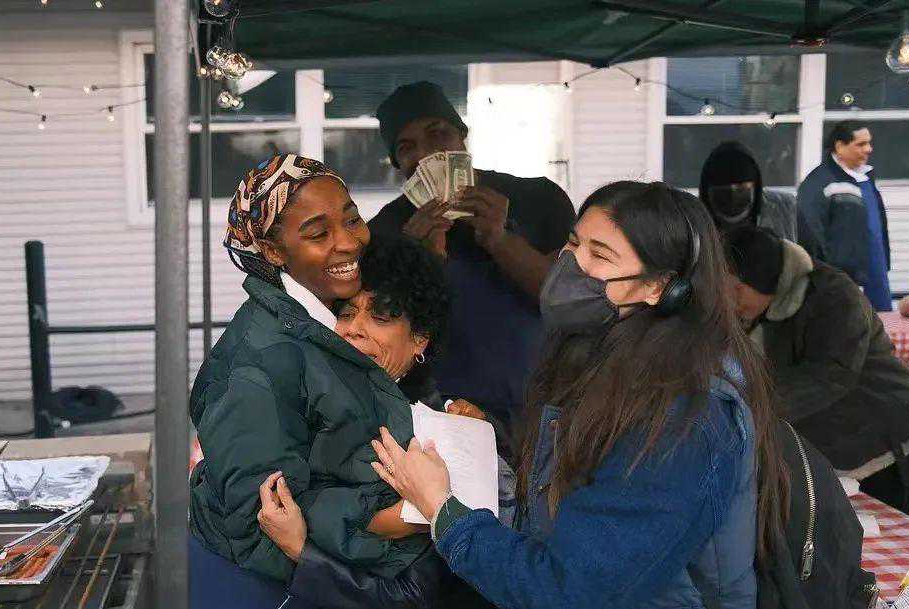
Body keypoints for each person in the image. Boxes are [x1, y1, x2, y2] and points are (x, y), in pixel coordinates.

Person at [368, 181, 789, 609]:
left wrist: (441, 509)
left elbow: (566, 590)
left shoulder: (685, 414)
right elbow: (561, 513)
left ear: (659, 286)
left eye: (599, 255)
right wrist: (486, 452)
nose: (571, 264)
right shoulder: (599, 358)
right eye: (573, 243)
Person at [188, 155, 430, 608]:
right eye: (319, 234)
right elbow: (262, 520)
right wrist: (388, 522)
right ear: (273, 252)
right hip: (261, 588)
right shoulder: (257, 361)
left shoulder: (322, 320)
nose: (349, 242)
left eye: (352, 219)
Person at [258, 235, 503, 609]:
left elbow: (409, 597)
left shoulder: (436, 436)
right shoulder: (303, 405)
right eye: (345, 313)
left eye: (380, 317)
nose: (354, 328)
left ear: (419, 339)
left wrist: (301, 551)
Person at [368, 81, 576, 460]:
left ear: (462, 134)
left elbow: (566, 298)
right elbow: (384, 336)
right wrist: (421, 264)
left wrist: (500, 239)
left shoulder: (538, 197)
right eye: (406, 146)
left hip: (544, 406)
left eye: (437, 133)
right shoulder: (386, 229)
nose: (426, 153)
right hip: (444, 417)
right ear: (397, 164)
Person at [725, 226, 909, 511]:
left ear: (763, 278)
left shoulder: (834, 297)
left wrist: (750, 409)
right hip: (829, 446)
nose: (730, 302)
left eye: (737, 290)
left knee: (880, 526)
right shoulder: (750, 310)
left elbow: (831, 376)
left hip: (884, 440)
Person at [797, 121, 892, 311]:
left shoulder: (866, 179)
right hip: (840, 283)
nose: (869, 149)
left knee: (881, 324)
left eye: (869, 143)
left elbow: (878, 229)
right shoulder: (819, 183)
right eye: (861, 144)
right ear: (840, 146)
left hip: (876, 277)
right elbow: (811, 235)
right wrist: (828, 276)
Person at [698, 141, 820, 256]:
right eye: (723, 193)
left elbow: (814, 259)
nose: (731, 198)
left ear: (755, 188)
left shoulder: (786, 209)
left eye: (741, 190)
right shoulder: (694, 219)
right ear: (707, 193)